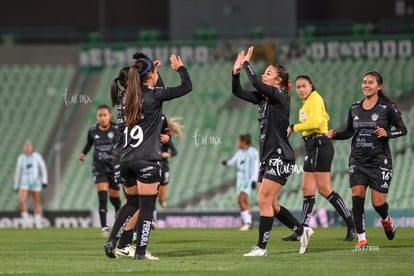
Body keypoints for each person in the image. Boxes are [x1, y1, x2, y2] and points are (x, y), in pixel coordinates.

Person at [105, 53, 192, 260]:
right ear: (150, 76)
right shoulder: (155, 95)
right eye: (154, 73)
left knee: (131, 203)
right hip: (146, 160)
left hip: (125, 160)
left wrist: (153, 70)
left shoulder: (127, 97)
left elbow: (152, 87)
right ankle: (141, 252)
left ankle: (111, 241)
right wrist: (181, 69)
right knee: (146, 207)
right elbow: (186, 87)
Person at [232, 46, 313, 256]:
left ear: (278, 81)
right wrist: (236, 73)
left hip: (280, 156)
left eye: (268, 73)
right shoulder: (262, 99)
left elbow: (256, 83)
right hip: (266, 158)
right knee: (272, 205)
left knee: (263, 202)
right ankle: (301, 230)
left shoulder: (280, 96)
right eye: (264, 72)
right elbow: (237, 91)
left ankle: (261, 248)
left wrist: (247, 63)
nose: (263, 75)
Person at [328, 71, 407, 249]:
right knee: (357, 199)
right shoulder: (354, 107)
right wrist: (336, 135)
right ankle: (362, 239)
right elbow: (349, 132)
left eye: (370, 82)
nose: (366, 85)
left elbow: (403, 129)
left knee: (378, 203)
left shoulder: (387, 107)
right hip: (357, 160)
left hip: (379, 161)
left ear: (379, 86)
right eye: (364, 82)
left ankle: (386, 220)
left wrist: (388, 133)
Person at [284, 75, 356, 242]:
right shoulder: (308, 102)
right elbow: (322, 119)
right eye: (298, 87)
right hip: (311, 146)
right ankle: (301, 231)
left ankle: (351, 224)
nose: (301, 89)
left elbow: (316, 123)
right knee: (307, 189)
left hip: (319, 145)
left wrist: (293, 127)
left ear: (311, 86)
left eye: (304, 86)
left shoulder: (315, 98)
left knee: (324, 189)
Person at [80, 105, 121, 238]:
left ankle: (118, 211)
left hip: (114, 168)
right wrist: (83, 153)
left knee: (114, 198)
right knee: (102, 197)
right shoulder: (92, 130)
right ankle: (104, 228)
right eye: (100, 115)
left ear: (110, 115)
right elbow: (89, 143)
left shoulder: (116, 129)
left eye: (105, 115)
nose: (102, 118)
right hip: (99, 168)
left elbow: (122, 145)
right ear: (97, 117)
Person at [222, 134, 258, 231]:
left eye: (239, 141)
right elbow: (233, 161)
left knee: (241, 199)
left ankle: (247, 223)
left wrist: (254, 180)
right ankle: (248, 223)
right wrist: (226, 163)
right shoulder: (239, 152)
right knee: (244, 201)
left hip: (248, 180)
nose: (237, 143)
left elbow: (255, 166)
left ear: (244, 142)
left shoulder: (253, 152)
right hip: (240, 181)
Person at [14, 140, 48, 229]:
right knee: (22, 201)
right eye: (26, 146)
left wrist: (44, 180)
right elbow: (18, 171)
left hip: (35, 181)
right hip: (25, 181)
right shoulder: (21, 158)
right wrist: (16, 185)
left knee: (36, 202)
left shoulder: (37, 156)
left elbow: (43, 167)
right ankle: (26, 221)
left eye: (29, 146)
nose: (27, 148)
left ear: (32, 147)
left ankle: (37, 222)